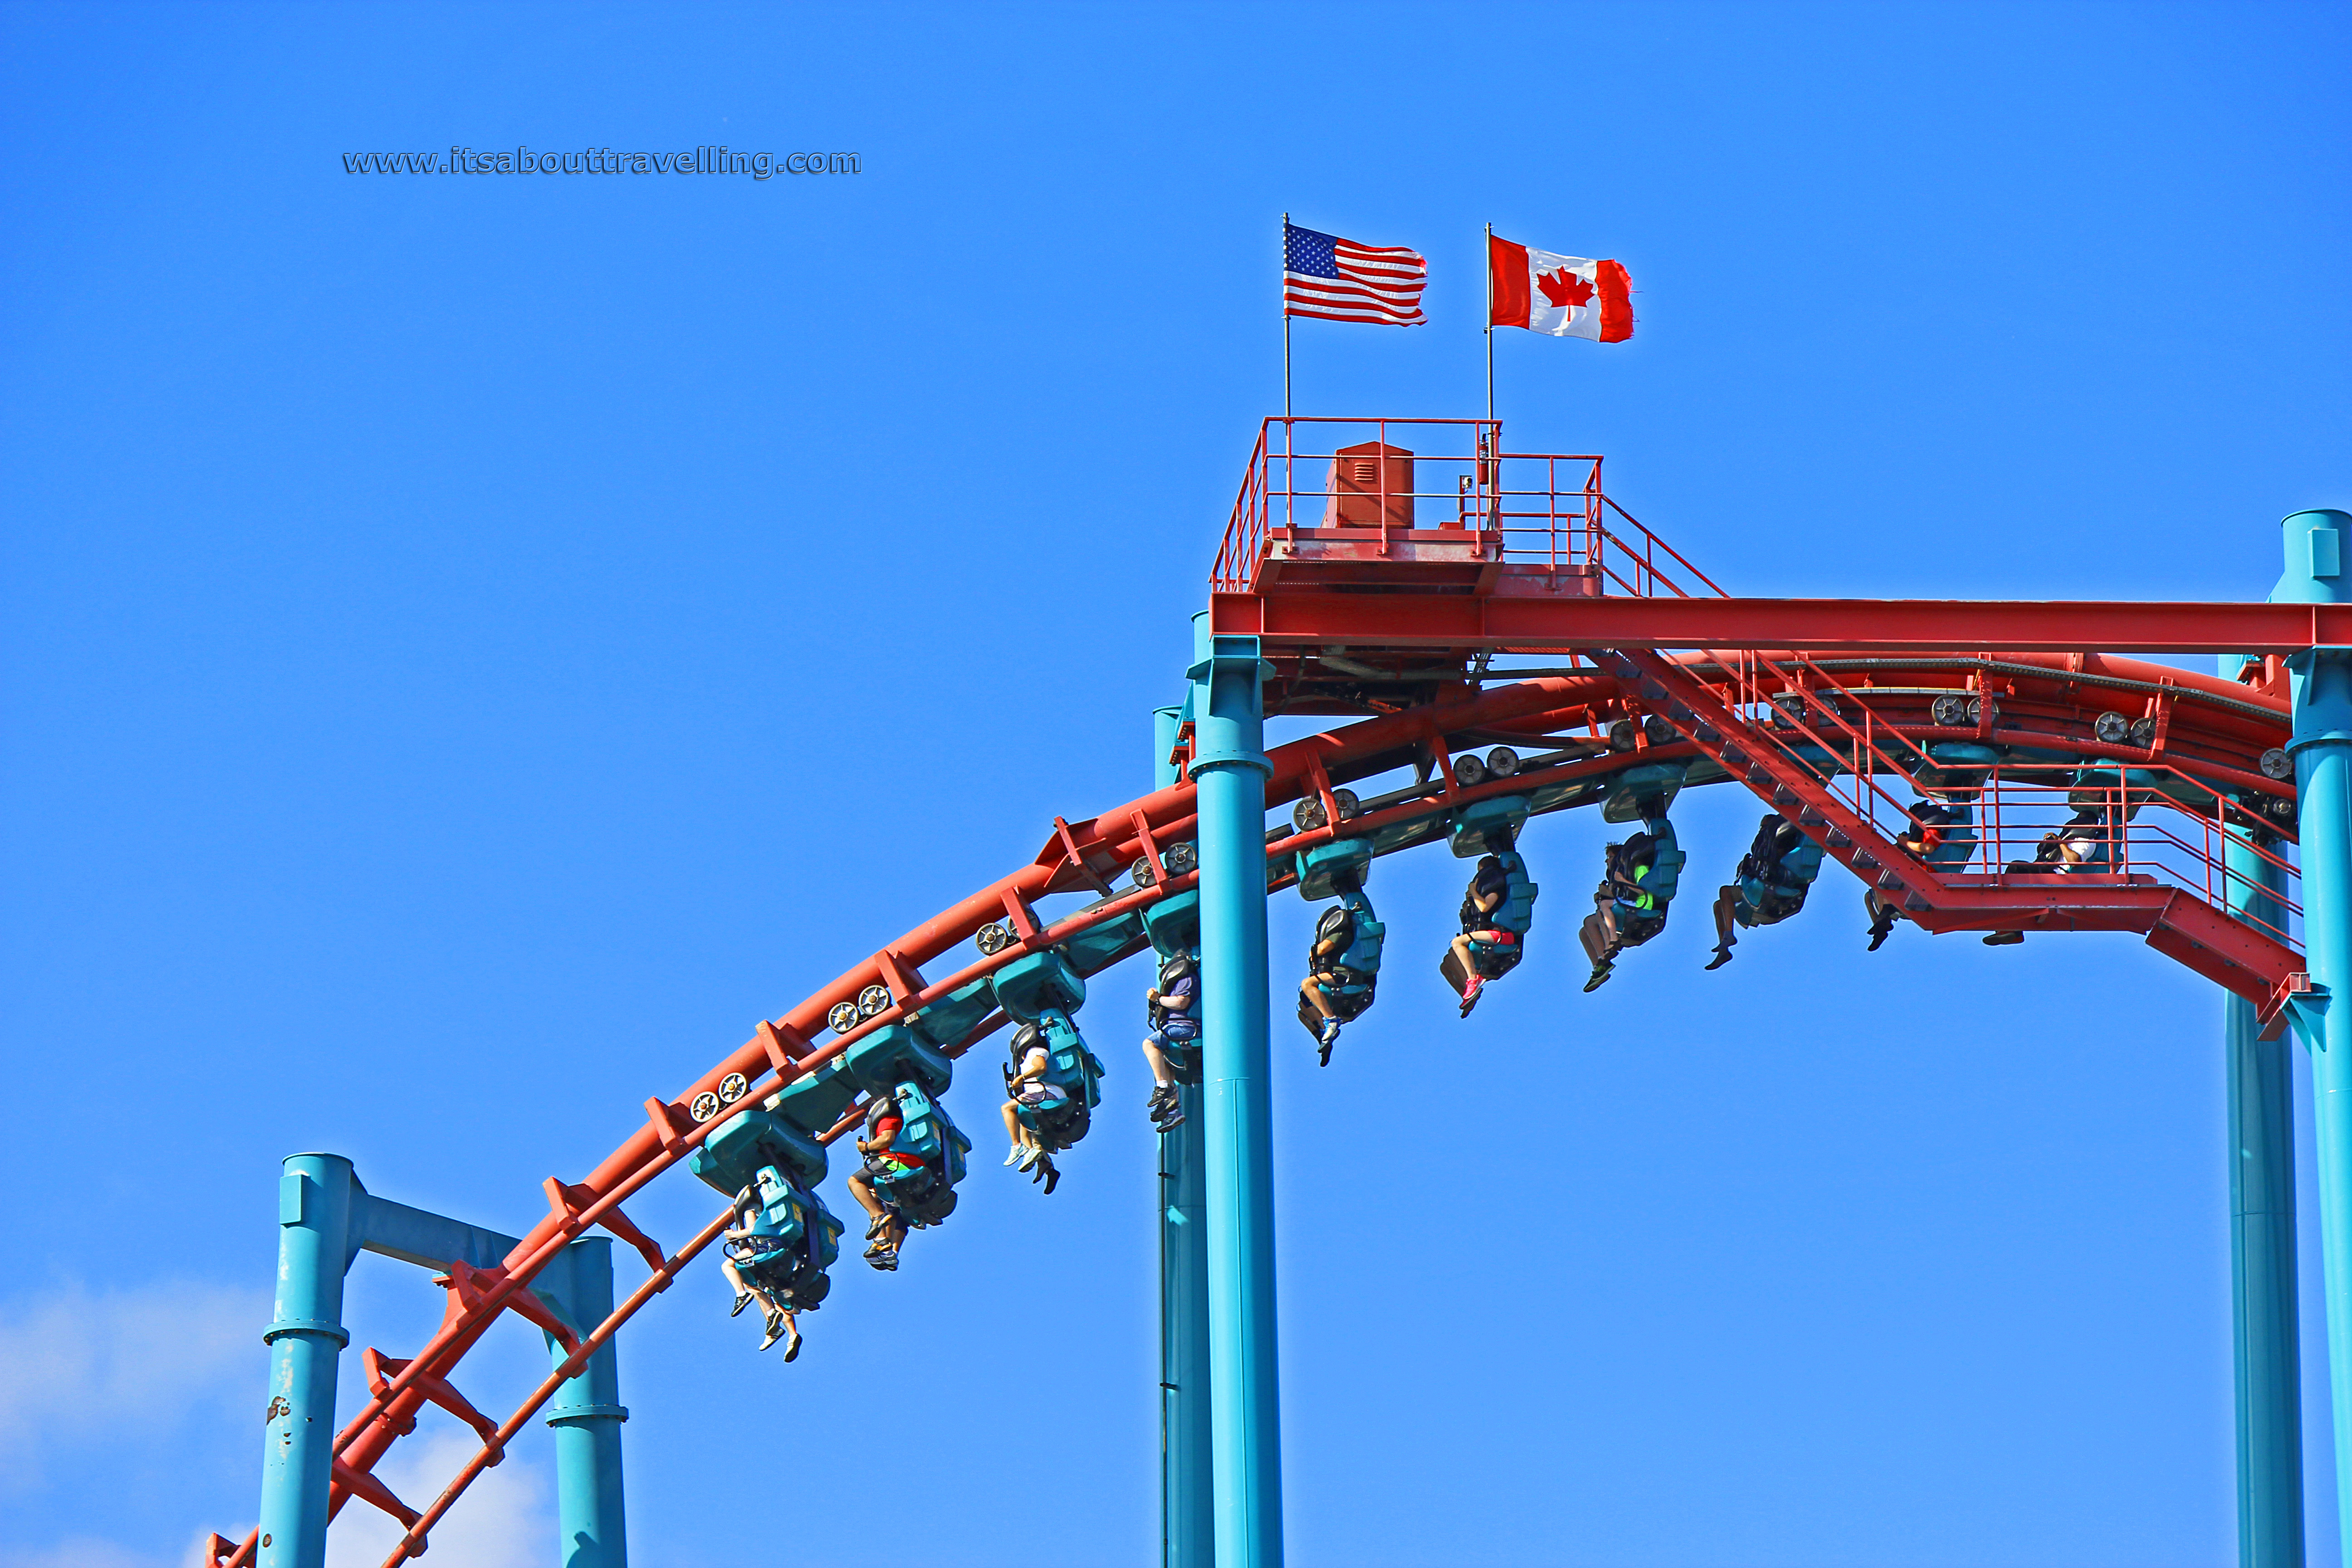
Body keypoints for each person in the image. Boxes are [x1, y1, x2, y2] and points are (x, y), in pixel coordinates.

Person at [1705, 813, 1822, 969]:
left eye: (1764, 826)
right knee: (1719, 905)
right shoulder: (1767, 844)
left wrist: (1755, 864)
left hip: (1770, 886)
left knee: (1725, 891)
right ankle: (1724, 948)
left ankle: (1729, 935)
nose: (1762, 828)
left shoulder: (1781, 840)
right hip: (1763, 886)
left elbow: (1776, 856)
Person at [1578, 815, 1678, 992]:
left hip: (1640, 905)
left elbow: (1642, 892)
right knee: (1586, 927)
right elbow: (1617, 895)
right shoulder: (1616, 875)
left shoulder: (1638, 869)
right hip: (1625, 903)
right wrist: (1604, 892)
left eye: (1610, 857)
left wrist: (1620, 882)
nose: (1607, 861)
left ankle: (1612, 943)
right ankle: (1599, 966)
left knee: (1604, 908)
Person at [719, 1178, 804, 1358]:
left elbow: (754, 1230)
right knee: (768, 1292)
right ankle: (789, 1334)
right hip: (783, 1252)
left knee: (728, 1265)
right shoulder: (782, 1210)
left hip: (767, 1247)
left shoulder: (753, 1209)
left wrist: (734, 1235)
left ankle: (741, 1296)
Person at [1864, 800, 1965, 951]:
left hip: (1923, 874)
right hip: (1915, 872)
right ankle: (1881, 925)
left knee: (1886, 877)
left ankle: (1885, 916)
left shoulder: (1932, 828)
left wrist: (1906, 843)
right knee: (1869, 895)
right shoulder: (1923, 830)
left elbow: (1928, 848)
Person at [1298, 887, 1381, 1064]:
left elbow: (1322, 949)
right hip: (1337, 976)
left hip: (1346, 976)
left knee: (1308, 984)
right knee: (1303, 1006)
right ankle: (1324, 1035)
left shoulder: (1342, 934)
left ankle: (1331, 1020)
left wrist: (1314, 951)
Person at [845, 1093, 921, 1271]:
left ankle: (877, 1218)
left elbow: (887, 1138)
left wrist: (867, 1147)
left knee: (855, 1182)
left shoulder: (888, 1118)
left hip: (894, 1162)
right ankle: (889, 1251)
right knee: (892, 1209)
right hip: (910, 1165)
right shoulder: (905, 1122)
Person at [1448, 854, 1519, 1016]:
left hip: (1501, 934)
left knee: (1458, 943)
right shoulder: (1488, 889)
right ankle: (1469, 989)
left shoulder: (1496, 890)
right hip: (1490, 932)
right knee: (1451, 960)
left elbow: (1484, 907)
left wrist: (1474, 891)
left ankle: (1474, 980)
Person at [1000, 1021, 1068, 1173]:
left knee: (1007, 1108)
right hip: (1038, 1093)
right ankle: (1044, 1163)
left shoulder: (1035, 1051)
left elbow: (1041, 1067)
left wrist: (1022, 1077)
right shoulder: (1026, 1059)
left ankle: (1016, 1146)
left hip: (1046, 1093)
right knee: (1023, 1123)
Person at [1142, 951, 1198, 1129]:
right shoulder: (1178, 982)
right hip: (1177, 1027)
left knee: (1150, 1043)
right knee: (1164, 1062)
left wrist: (1158, 999)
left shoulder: (1187, 979)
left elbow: (1181, 1003)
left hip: (1185, 1027)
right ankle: (1172, 1111)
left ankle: (1162, 1087)